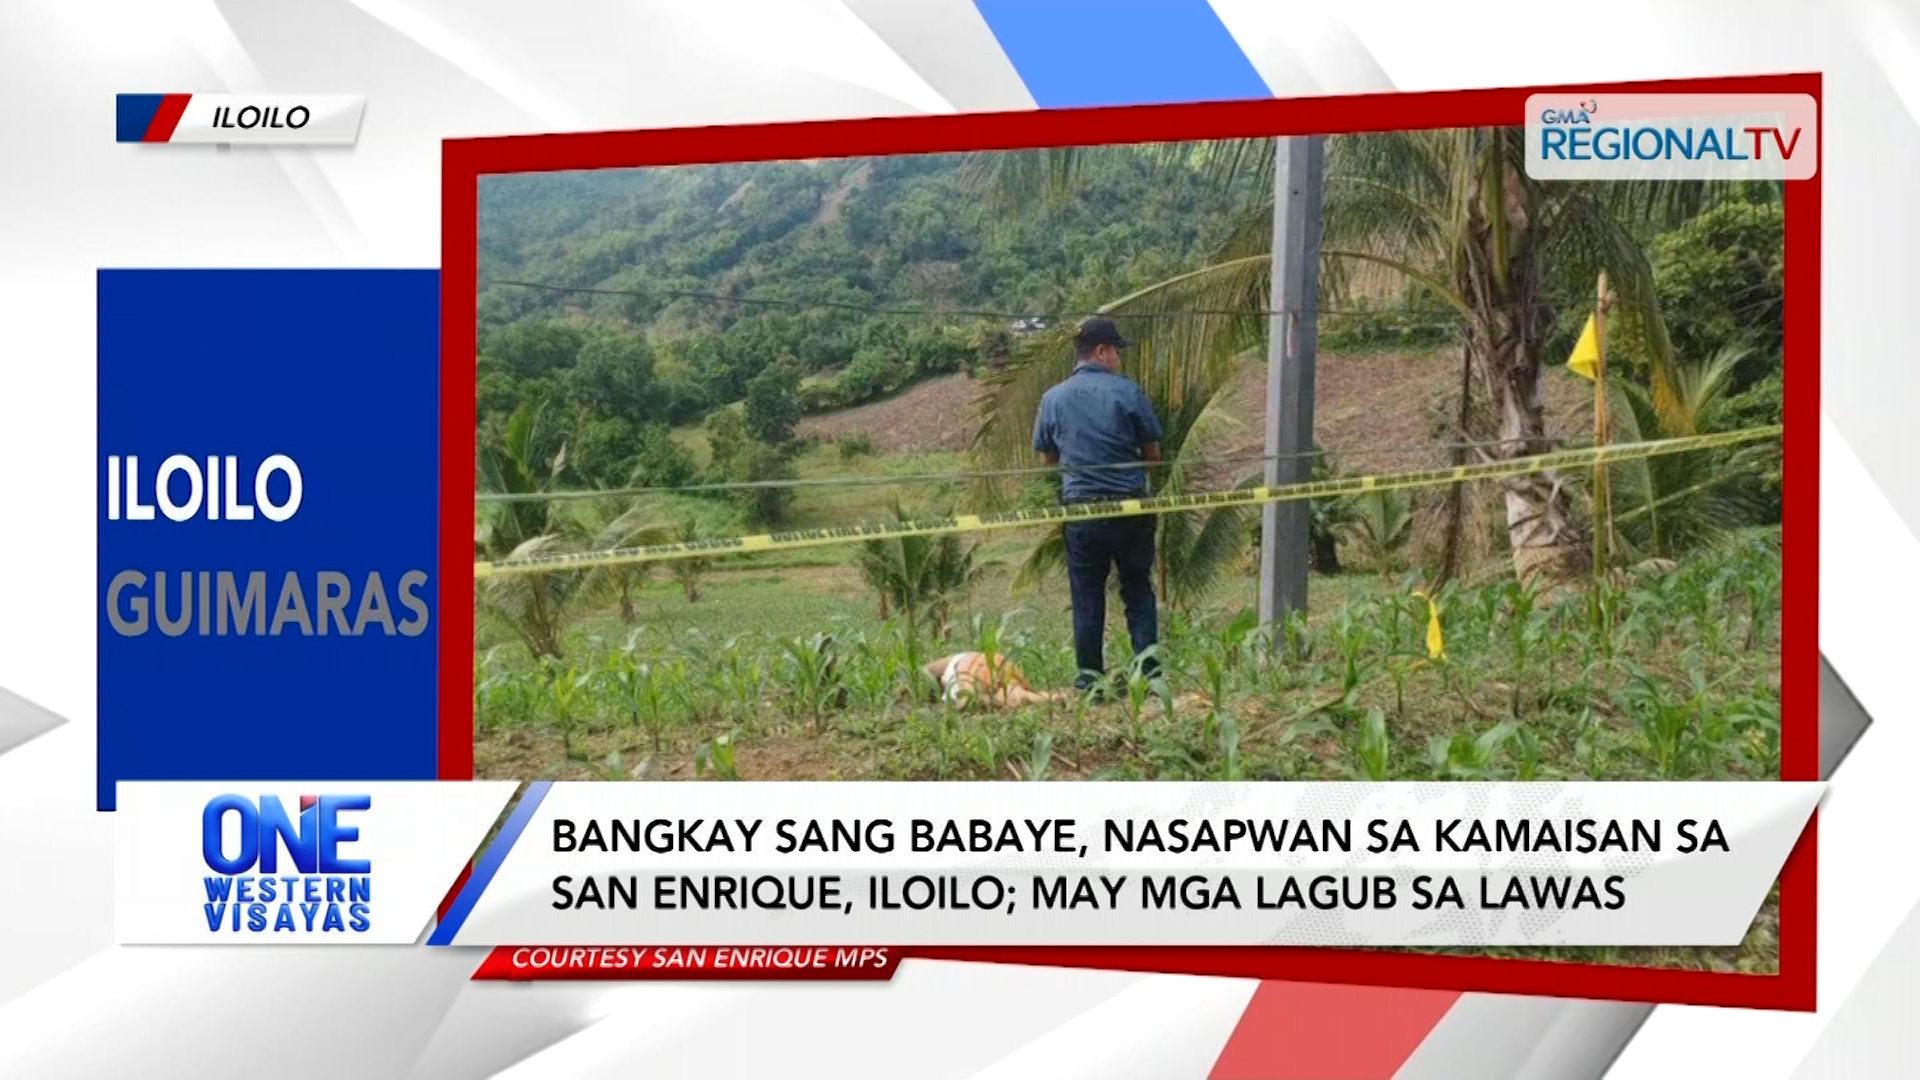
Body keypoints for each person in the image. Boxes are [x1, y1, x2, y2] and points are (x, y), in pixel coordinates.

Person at [1031, 316, 1164, 693]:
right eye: (1116, 351)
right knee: (1137, 590)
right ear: (1102, 351)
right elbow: (1153, 455)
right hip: (1130, 508)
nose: (1119, 359)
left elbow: (1046, 459)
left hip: (1082, 512)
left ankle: (1089, 682)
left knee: (1086, 596)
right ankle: (1151, 678)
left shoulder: (1052, 397)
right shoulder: (1127, 392)